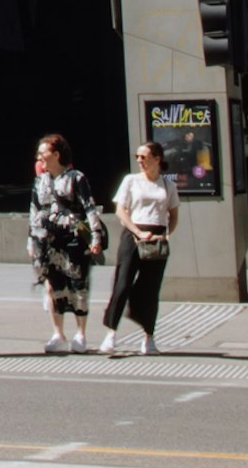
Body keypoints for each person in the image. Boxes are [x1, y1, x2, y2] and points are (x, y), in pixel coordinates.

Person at [103, 136, 177, 356]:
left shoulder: (168, 184)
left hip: (156, 235)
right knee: (123, 282)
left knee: (151, 287)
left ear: (157, 159)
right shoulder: (131, 181)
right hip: (134, 234)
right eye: (137, 157)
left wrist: (166, 235)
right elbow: (121, 210)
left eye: (144, 157)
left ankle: (149, 337)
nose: (140, 160)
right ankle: (111, 333)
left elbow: (173, 214)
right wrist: (137, 232)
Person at [27, 131, 99, 354]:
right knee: (53, 286)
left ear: (56, 154)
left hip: (74, 238)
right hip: (48, 241)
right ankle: (58, 333)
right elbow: (34, 211)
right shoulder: (40, 181)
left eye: (43, 153)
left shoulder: (76, 178)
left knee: (78, 284)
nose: (39, 157)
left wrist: (94, 236)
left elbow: (89, 207)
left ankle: (81, 334)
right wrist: (32, 240)